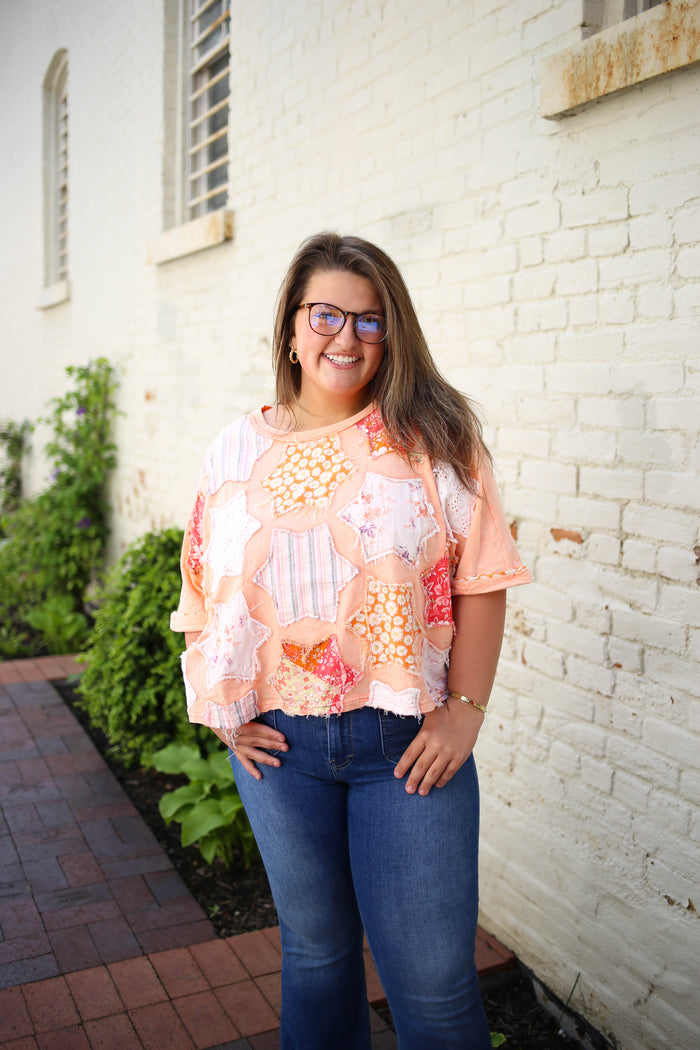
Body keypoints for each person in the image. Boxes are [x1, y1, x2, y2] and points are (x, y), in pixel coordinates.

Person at [170, 232, 531, 1049]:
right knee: (317, 958)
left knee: (435, 992)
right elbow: (201, 591)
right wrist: (220, 707)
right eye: (327, 314)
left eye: (371, 322)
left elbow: (482, 578)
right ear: (292, 328)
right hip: (280, 751)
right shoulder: (234, 449)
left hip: (407, 748)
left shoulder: (432, 436)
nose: (348, 337)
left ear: (391, 334)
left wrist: (465, 711)